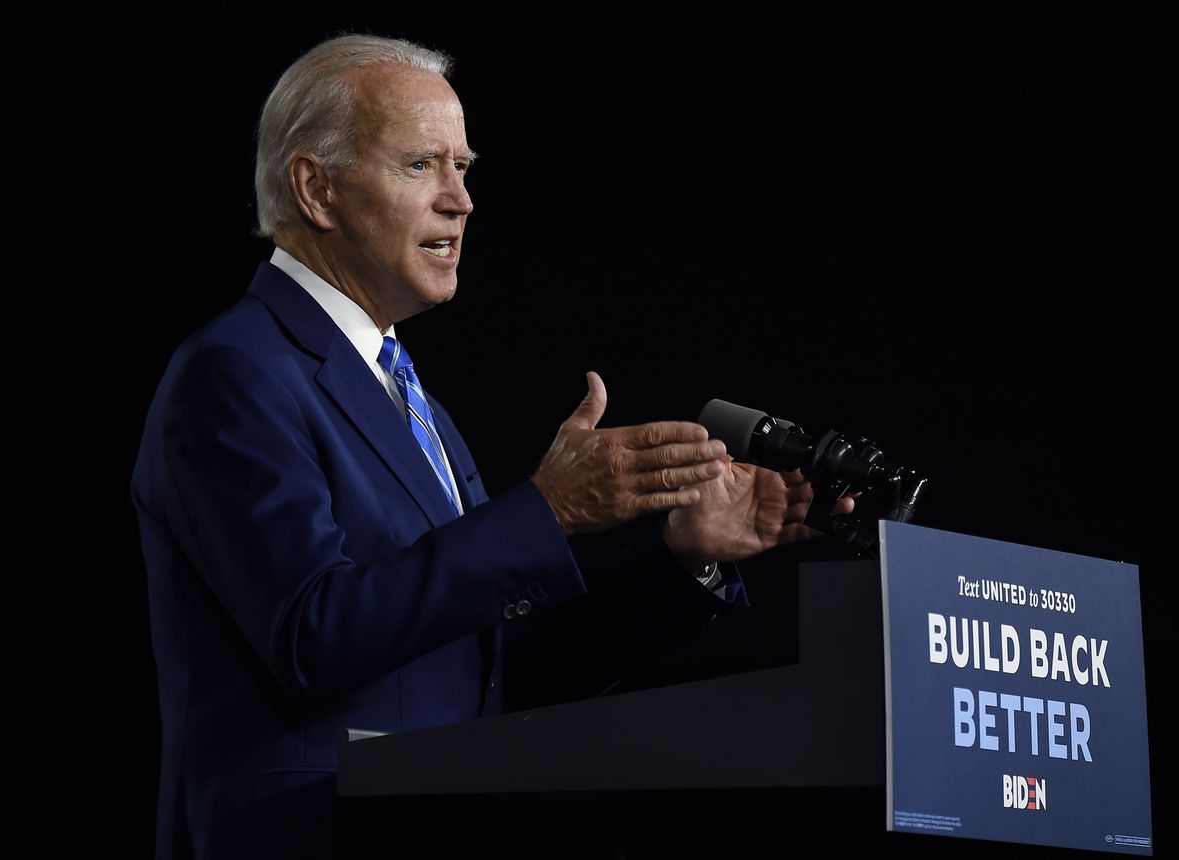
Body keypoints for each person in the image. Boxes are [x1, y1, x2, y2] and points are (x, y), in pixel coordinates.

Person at [131, 33, 851, 859]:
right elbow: (313, 636)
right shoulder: (235, 372)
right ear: (316, 188)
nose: (461, 201)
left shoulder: (418, 405)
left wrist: (681, 558)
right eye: (420, 166)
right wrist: (547, 510)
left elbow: (497, 676)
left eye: (464, 168)